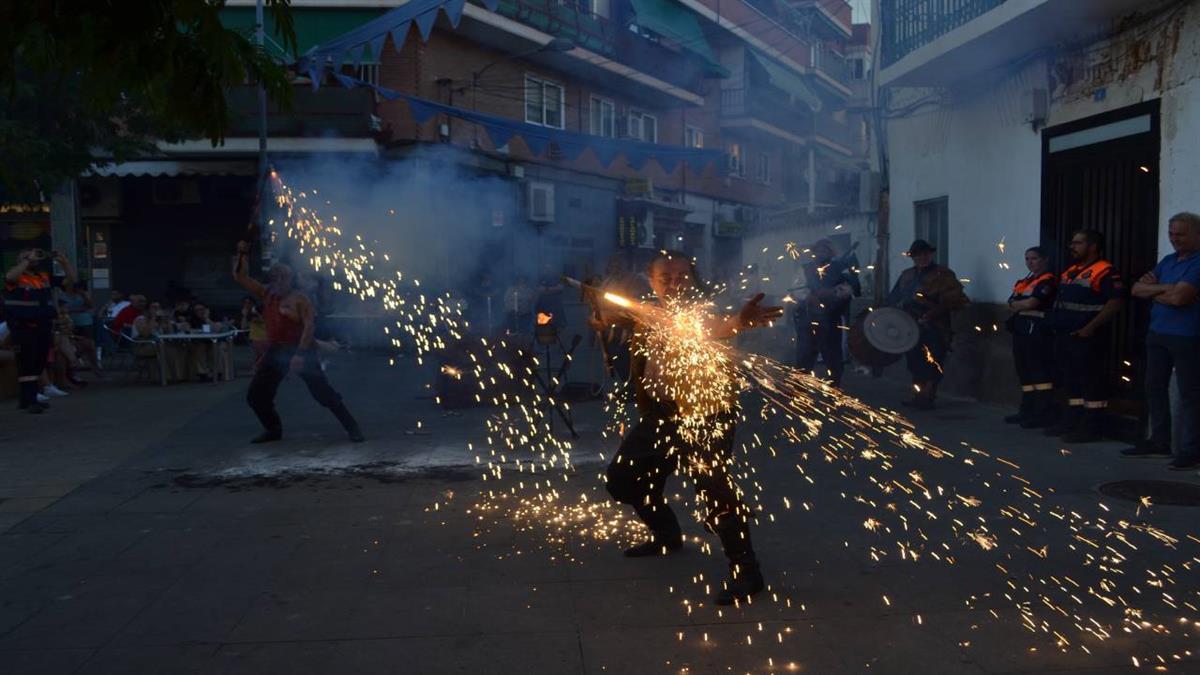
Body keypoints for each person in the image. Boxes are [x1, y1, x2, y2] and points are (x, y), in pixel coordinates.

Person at [599, 251, 783, 606]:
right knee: (623, 479)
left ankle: (747, 571)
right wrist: (603, 318)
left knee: (715, 492)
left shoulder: (704, 309)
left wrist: (740, 322)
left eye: (681, 275)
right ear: (652, 280)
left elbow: (719, 324)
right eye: (665, 277)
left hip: (706, 416)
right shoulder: (648, 311)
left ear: (693, 278)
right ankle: (666, 534)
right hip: (660, 416)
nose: (674, 283)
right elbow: (625, 316)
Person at [233, 241, 364, 443]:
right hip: (276, 351)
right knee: (256, 396)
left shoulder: (300, 300)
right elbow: (240, 276)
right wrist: (242, 254)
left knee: (323, 394)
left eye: (282, 278)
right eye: (274, 278)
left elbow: (309, 327)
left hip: (303, 349)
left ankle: (352, 427)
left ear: (289, 280)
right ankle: (273, 429)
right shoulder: (266, 294)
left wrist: (299, 355)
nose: (278, 282)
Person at [1123, 213, 1200, 469]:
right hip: (1158, 333)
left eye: (1181, 234)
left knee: (1190, 394)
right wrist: (1168, 288)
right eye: (1171, 234)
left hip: (1188, 335)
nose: (1174, 239)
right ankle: (1159, 441)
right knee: (1154, 388)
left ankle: (1191, 450)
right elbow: (1135, 289)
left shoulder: (1197, 263)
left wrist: (1157, 291)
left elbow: (1181, 298)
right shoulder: (1168, 261)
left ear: (1197, 234)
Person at [1044, 229, 1125, 443]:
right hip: (1065, 335)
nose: (1073, 246)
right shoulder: (1071, 271)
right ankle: (1072, 422)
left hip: (1087, 336)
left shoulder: (1105, 271)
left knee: (1091, 382)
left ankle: (1092, 427)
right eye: (1072, 242)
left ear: (1093, 246)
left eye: (1078, 243)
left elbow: (1115, 302)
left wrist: (1090, 327)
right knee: (1071, 381)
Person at [885, 240, 969, 409]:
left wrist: (932, 313)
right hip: (910, 325)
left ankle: (929, 395)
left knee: (934, 360)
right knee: (914, 361)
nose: (923, 257)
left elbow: (956, 300)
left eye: (926, 253)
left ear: (931, 254)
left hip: (935, 326)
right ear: (913, 257)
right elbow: (893, 298)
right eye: (918, 254)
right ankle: (919, 394)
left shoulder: (944, 274)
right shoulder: (907, 275)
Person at [3, 248, 76, 413]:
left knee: (38, 362)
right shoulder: (15, 276)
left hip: (43, 324)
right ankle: (29, 401)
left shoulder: (42, 277)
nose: (33, 257)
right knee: (26, 363)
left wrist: (64, 262)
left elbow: (70, 281)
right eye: (26, 254)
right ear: (20, 260)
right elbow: (9, 277)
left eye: (34, 255)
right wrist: (27, 260)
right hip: (23, 326)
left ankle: (29, 399)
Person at [791, 239, 859, 386]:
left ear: (830, 253)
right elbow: (796, 290)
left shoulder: (840, 268)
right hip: (808, 318)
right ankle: (799, 388)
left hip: (831, 318)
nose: (821, 253)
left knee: (833, 355)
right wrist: (810, 297)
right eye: (818, 250)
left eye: (825, 250)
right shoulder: (805, 268)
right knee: (804, 354)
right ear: (814, 252)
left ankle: (835, 389)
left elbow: (849, 290)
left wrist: (831, 293)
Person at [1004, 246, 1058, 427]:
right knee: (1024, 373)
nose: (1029, 262)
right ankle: (1026, 410)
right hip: (1021, 331)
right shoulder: (1025, 281)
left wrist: (1019, 304)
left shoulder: (1048, 281)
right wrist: (1021, 304)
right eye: (1027, 259)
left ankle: (1042, 413)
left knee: (1039, 374)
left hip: (1037, 332)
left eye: (1034, 258)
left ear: (1044, 260)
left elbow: (1033, 302)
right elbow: (1010, 302)